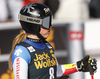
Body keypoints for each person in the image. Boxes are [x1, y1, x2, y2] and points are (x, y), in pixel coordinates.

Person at [8, 3, 97, 79]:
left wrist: (79, 66)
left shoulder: (47, 45)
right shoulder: (22, 51)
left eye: (50, 22)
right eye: (46, 23)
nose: (50, 27)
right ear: (34, 25)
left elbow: (55, 70)